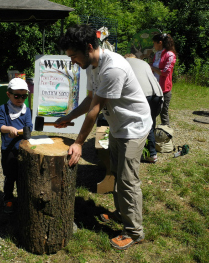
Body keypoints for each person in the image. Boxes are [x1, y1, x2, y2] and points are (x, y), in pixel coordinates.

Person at [56, 25, 152, 250]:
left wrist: (79, 142)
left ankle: (134, 232)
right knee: (117, 173)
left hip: (134, 128)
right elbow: (90, 100)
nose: (72, 61)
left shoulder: (113, 68)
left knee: (128, 180)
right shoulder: (92, 65)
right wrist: (69, 116)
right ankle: (122, 214)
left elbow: (95, 109)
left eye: (74, 56)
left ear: (89, 47)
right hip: (119, 126)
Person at [0, 78, 33, 213]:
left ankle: (23, 197)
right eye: (17, 96)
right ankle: (8, 198)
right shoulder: (3, 109)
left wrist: (19, 132)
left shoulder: (26, 110)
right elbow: (0, 126)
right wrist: (9, 129)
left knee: (23, 175)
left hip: (23, 148)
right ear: (8, 94)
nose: (20, 99)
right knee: (10, 175)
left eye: (24, 96)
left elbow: (29, 127)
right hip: (8, 149)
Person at [125, 54, 164, 163]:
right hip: (158, 94)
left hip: (144, 95)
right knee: (150, 123)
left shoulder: (124, 63)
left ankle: (140, 154)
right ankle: (151, 152)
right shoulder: (143, 63)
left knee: (138, 124)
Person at [150, 33, 176, 126]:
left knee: (163, 113)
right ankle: (151, 135)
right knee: (151, 113)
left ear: (160, 43)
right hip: (153, 87)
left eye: (154, 43)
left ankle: (165, 135)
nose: (154, 45)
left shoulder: (170, 55)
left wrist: (152, 68)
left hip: (164, 89)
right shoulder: (156, 54)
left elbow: (165, 72)